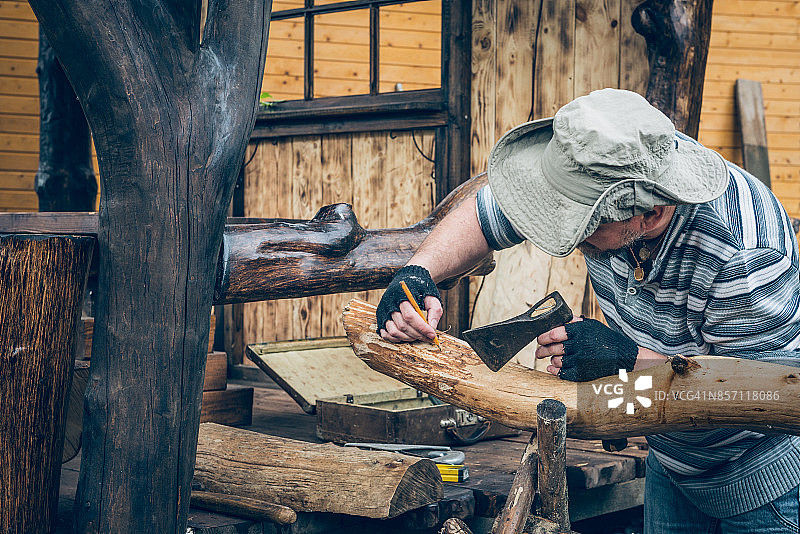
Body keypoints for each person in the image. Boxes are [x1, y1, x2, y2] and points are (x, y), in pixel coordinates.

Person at [375, 88, 800, 533]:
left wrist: (628, 362)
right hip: (671, 461)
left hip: (759, 484)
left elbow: (763, 393)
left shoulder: (743, 253)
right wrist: (419, 271)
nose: (571, 240)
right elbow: (486, 214)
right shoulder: (609, 162)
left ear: (651, 215)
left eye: (584, 227)